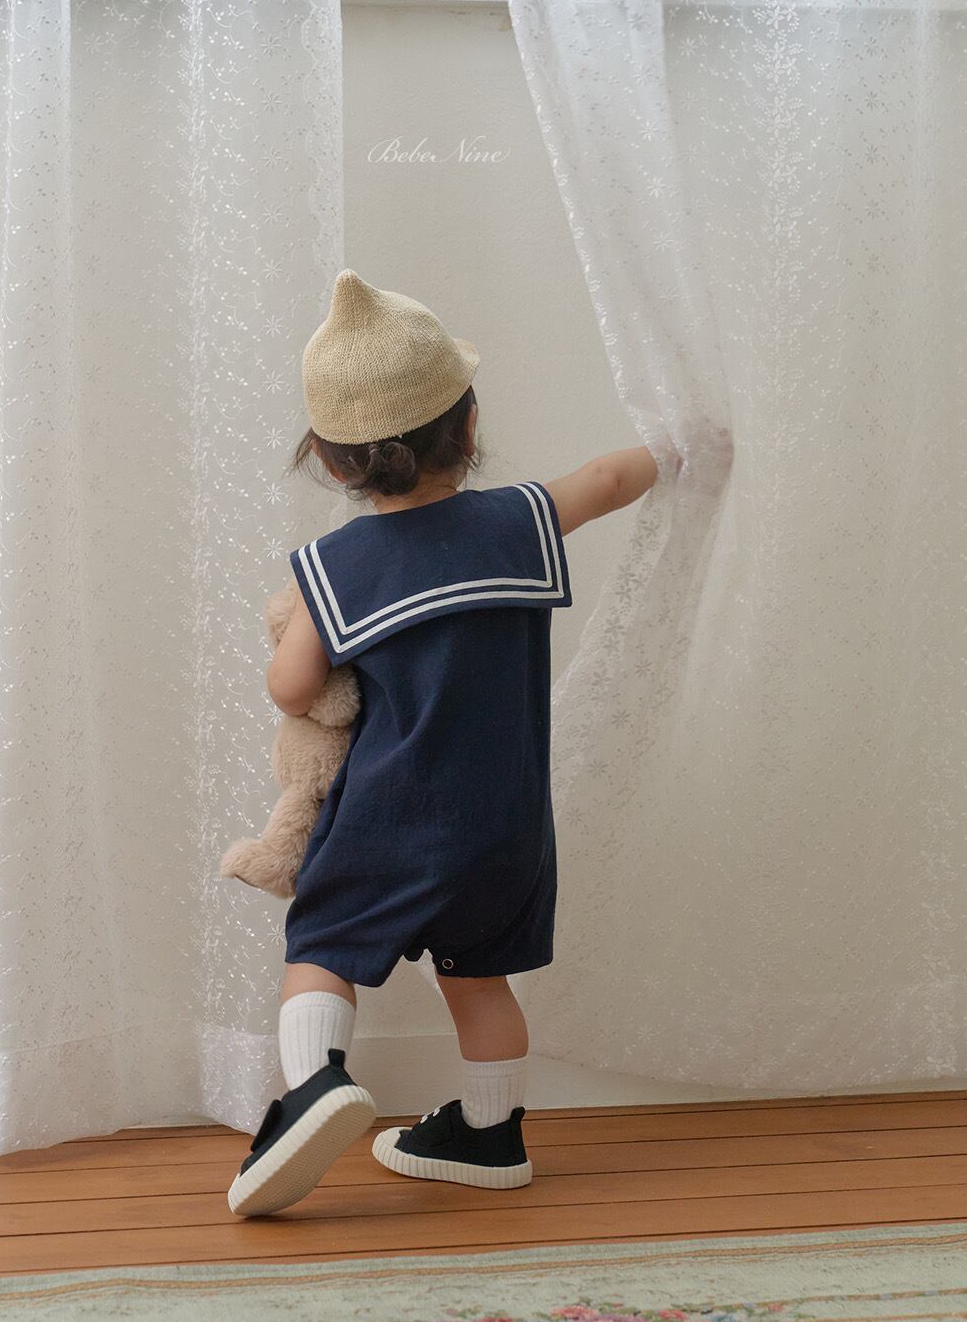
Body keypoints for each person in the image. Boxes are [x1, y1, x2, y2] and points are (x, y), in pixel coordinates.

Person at [227, 269, 660, 1217]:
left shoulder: (337, 567)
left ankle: (314, 1085)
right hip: (508, 824)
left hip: (392, 814)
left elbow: (291, 687)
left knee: (323, 942)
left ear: (332, 461)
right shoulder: (519, 522)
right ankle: (491, 1135)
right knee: (478, 978)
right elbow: (606, 480)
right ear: (468, 428)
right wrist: (682, 448)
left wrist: (299, 649)